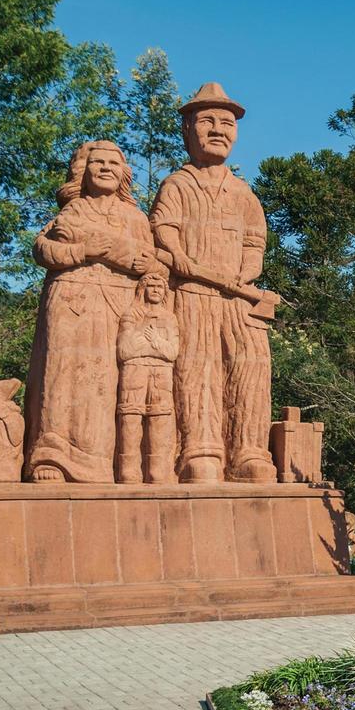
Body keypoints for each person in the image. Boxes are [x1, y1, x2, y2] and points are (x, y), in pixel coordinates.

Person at [150, 82, 279, 484]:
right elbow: (163, 231)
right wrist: (183, 259)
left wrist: (245, 274)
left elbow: (255, 240)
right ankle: (200, 450)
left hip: (238, 299)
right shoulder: (177, 184)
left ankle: (249, 451)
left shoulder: (243, 192)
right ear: (188, 129)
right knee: (196, 368)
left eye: (226, 122)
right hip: (192, 294)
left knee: (251, 367)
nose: (218, 129)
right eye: (207, 120)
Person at [26, 141, 160, 482]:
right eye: (96, 162)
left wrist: (134, 259)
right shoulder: (72, 212)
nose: (105, 168)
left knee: (110, 382)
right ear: (82, 171)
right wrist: (83, 251)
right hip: (72, 299)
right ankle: (53, 457)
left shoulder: (135, 217)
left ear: (123, 174)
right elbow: (42, 248)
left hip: (119, 305)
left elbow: (149, 262)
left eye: (113, 163)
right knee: (65, 375)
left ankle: (109, 463)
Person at [115, 272, 180, 483]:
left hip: (161, 372)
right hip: (134, 370)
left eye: (159, 287)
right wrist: (149, 340)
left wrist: (155, 341)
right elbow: (125, 351)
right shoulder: (131, 315)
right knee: (130, 416)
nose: (155, 290)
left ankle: (158, 469)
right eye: (151, 286)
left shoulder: (170, 318)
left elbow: (172, 352)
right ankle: (129, 469)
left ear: (164, 292)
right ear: (142, 289)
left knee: (160, 417)